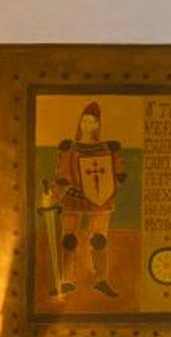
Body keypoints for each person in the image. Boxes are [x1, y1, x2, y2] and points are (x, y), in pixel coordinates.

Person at [47, 101, 126, 298]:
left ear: (97, 125)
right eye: (84, 121)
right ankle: (67, 281)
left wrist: (116, 174)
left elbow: (117, 174)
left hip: (99, 198)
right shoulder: (70, 148)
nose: (87, 125)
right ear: (80, 123)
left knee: (99, 240)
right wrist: (53, 195)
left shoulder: (106, 149)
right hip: (73, 196)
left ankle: (100, 280)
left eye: (91, 122)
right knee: (69, 240)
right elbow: (62, 176)